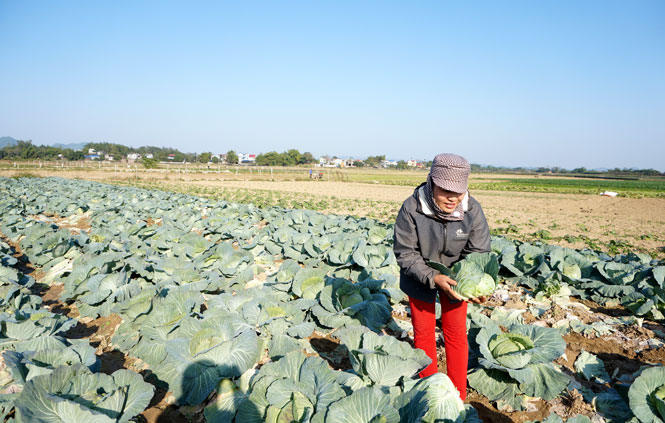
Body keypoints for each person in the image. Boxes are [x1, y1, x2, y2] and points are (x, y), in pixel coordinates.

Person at [393, 153, 491, 401]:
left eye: (458, 191)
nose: (452, 197)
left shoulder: (472, 209)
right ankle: (430, 393)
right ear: (431, 182)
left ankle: (458, 394)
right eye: (445, 189)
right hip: (419, 274)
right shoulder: (412, 208)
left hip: (457, 279)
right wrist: (432, 277)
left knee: (456, 333)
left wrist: (474, 285)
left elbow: (478, 252)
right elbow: (406, 253)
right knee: (424, 333)